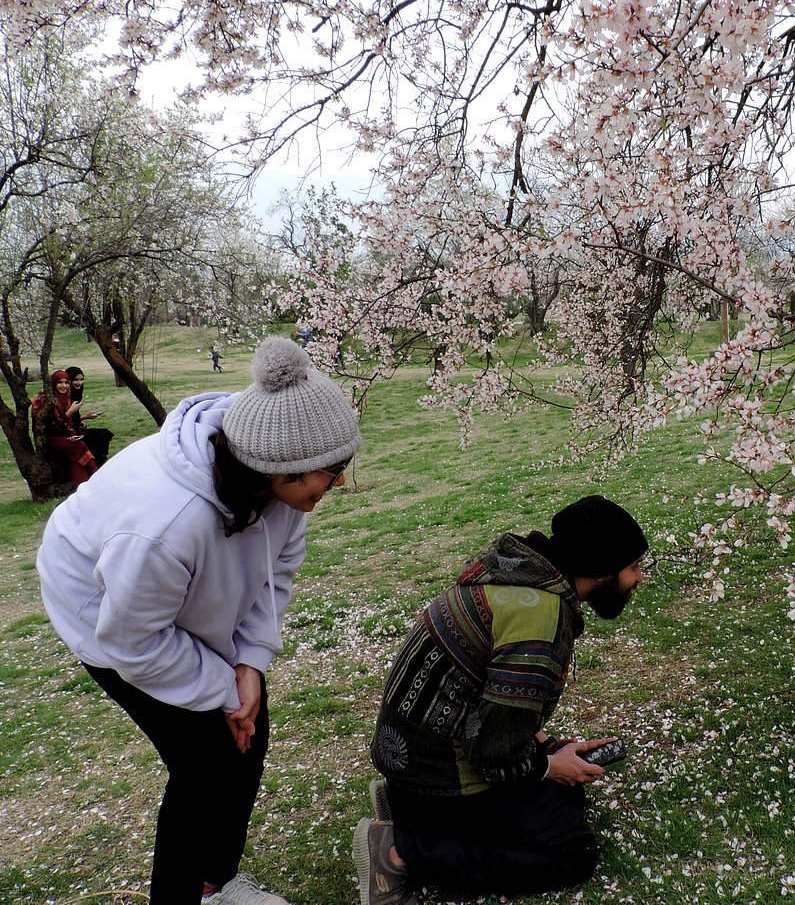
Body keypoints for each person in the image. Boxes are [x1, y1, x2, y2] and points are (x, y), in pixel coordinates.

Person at [38, 337, 362, 904]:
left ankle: (217, 882)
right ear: (275, 466)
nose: (335, 484)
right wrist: (220, 689)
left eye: (339, 467)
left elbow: (274, 571)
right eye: (325, 471)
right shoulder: (168, 525)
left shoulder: (284, 494)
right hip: (102, 612)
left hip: (163, 600)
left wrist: (249, 664)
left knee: (247, 735)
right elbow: (133, 640)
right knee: (204, 764)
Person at [353, 495, 649, 905]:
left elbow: (488, 694)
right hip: (438, 771)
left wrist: (546, 747)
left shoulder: (515, 577)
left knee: (566, 794)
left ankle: (410, 808)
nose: (638, 578)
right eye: (632, 567)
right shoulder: (540, 617)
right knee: (571, 852)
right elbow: (492, 752)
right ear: (601, 570)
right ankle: (399, 849)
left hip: (413, 754)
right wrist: (546, 767)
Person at [34, 369, 98, 487]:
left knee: (75, 457)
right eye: (60, 382)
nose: (64, 386)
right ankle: (97, 474)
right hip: (49, 438)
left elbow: (67, 424)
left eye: (66, 382)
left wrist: (72, 434)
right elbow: (49, 425)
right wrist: (70, 412)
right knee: (80, 446)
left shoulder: (66, 398)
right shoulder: (47, 400)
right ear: (53, 384)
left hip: (63, 436)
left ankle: (84, 486)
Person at [65, 365, 115, 465]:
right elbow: (64, 418)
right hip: (67, 432)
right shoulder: (65, 396)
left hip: (75, 427)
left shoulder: (77, 392)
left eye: (81, 379)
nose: (79, 383)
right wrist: (83, 416)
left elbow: (75, 418)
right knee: (96, 438)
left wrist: (86, 417)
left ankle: (101, 462)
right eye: (75, 380)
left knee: (105, 434)